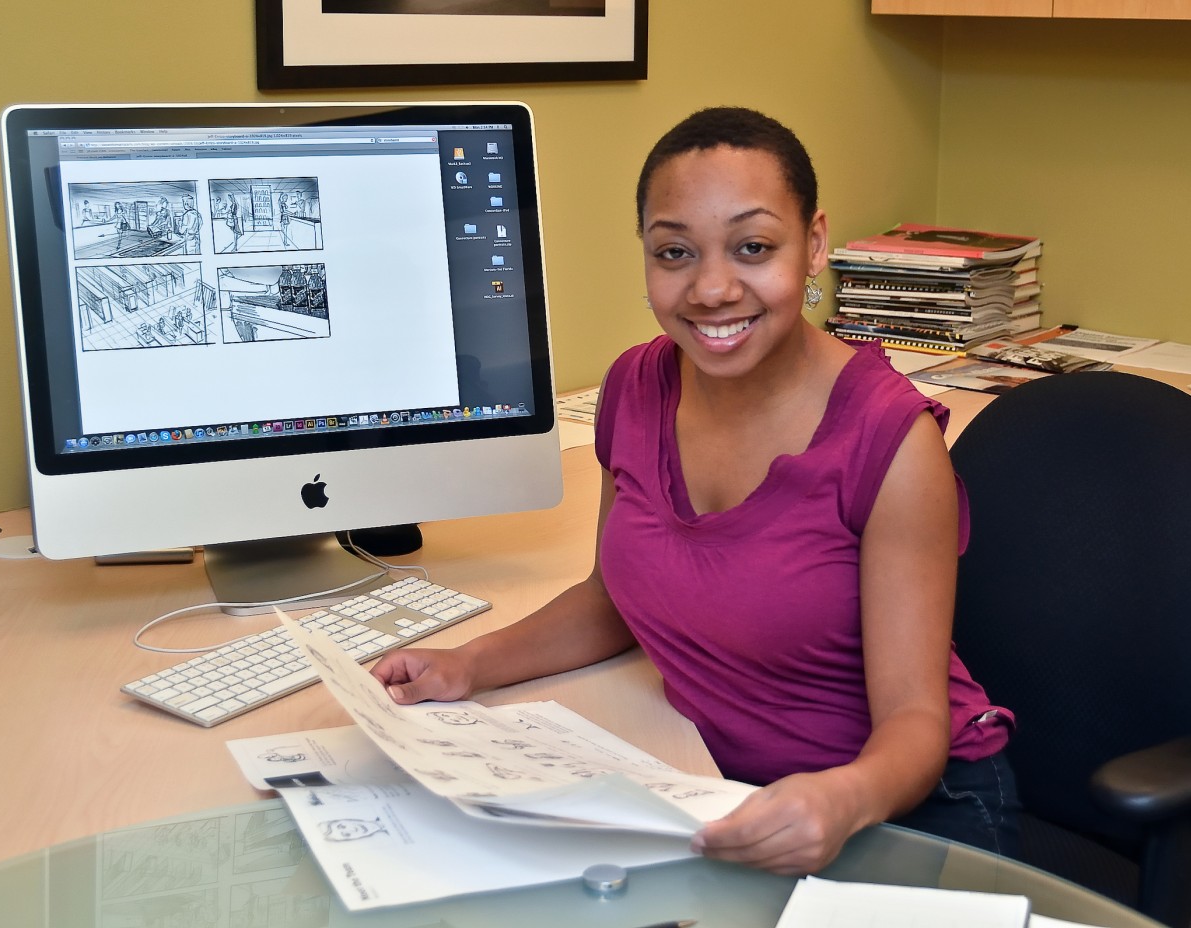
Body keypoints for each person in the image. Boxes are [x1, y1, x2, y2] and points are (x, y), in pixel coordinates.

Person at [371, 106, 1019, 875]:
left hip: (903, 807)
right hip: (724, 797)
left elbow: (917, 725)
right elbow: (612, 598)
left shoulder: (891, 441)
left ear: (813, 245)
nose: (711, 288)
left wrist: (839, 800)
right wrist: (468, 665)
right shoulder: (635, 386)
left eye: (753, 247)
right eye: (675, 252)